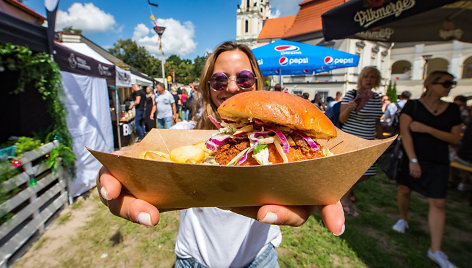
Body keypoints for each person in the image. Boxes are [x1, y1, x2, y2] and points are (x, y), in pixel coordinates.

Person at [96, 41, 345, 268]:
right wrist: (120, 168)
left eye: (245, 78)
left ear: (257, 83)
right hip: (193, 258)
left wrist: (318, 181)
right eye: (219, 81)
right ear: (208, 86)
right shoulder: (183, 133)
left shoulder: (285, 146)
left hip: (259, 258)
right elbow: (143, 154)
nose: (233, 87)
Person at [392, 71, 462, 268]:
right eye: (446, 83)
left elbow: (455, 138)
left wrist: (428, 129)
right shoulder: (413, 105)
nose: (449, 87)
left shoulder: (453, 109)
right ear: (430, 84)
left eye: (451, 83)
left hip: (438, 160)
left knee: (439, 202)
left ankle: (435, 249)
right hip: (412, 156)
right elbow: (405, 134)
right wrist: (413, 160)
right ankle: (403, 219)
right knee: (405, 189)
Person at [339, 66, 384, 216]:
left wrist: (381, 138)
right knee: (352, 171)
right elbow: (341, 118)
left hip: (368, 139)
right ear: (361, 79)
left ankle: (344, 192)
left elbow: (377, 120)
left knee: (367, 172)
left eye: (373, 77)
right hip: (351, 138)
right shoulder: (351, 95)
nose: (369, 80)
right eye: (366, 77)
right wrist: (350, 107)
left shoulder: (376, 98)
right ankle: (345, 201)